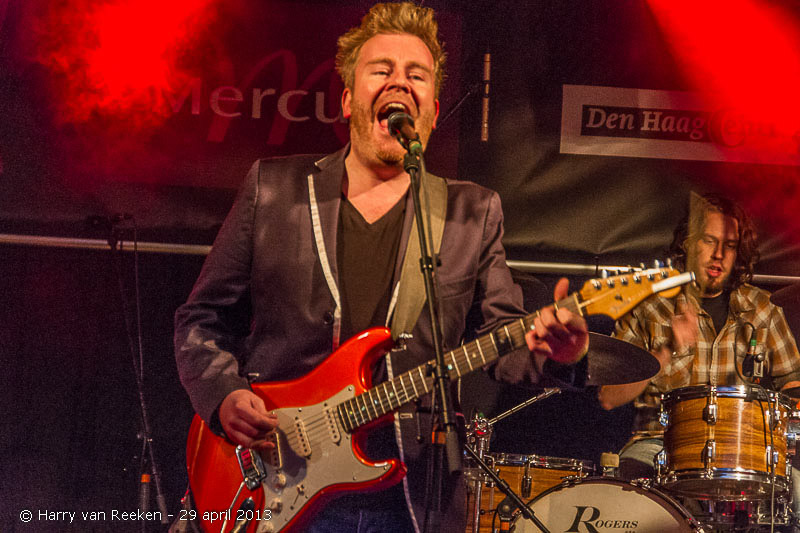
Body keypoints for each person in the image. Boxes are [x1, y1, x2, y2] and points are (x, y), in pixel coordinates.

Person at [174, 3, 588, 532]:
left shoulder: (470, 212)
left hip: (412, 496)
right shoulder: (274, 189)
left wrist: (558, 355)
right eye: (381, 70)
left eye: (417, 75)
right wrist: (224, 395)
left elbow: (502, 342)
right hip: (274, 476)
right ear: (349, 100)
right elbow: (201, 320)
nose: (400, 82)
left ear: (432, 111)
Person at [598, 193, 800, 521]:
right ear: (688, 243)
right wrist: (665, 351)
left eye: (730, 246)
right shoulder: (650, 308)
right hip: (659, 445)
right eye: (709, 241)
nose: (719, 254)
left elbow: (792, 384)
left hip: (744, 451)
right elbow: (608, 396)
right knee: (627, 486)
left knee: (798, 489)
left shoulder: (762, 310)